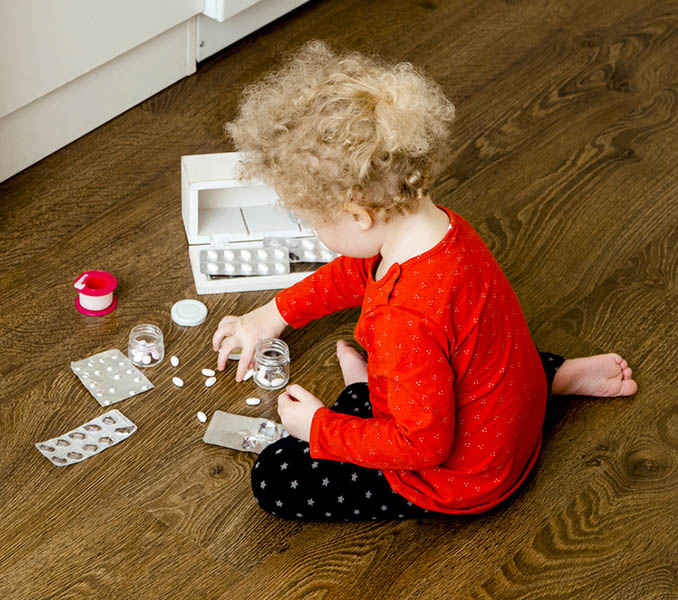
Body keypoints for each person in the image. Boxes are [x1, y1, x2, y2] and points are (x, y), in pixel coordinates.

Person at [210, 40, 637, 520]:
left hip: (465, 476)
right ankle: (552, 377)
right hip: (508, 408)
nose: (315, 232)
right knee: (483, 349)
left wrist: (319, 427)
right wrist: (271, 315)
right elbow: (358, 272)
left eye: (314, 221)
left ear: (358, 215)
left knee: (275, 475)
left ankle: (362, 394)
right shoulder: (443, 229)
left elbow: (423, 446)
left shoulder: (402, 320)